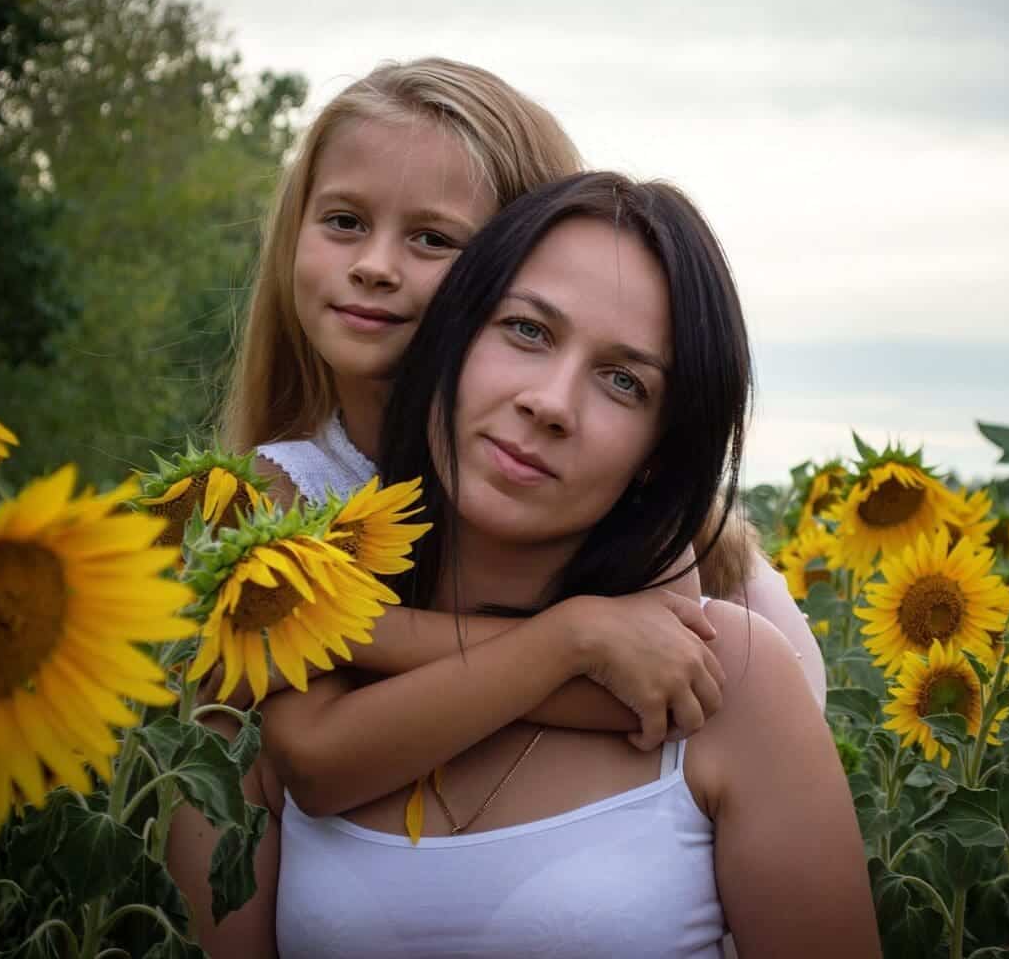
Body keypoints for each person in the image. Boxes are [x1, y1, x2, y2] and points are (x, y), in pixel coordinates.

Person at [178, 172, 879, 956]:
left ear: (660, 450)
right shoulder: (277, 661)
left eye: (624, 382)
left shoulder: (729, 675)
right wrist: (568, 639)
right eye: (526, 331)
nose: (550, 403)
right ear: (450, 342)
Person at [216, 56, 825, 717]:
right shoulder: (285, 489)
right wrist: (573, 641)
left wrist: (325, 633)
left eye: (432, 238)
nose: (374, 266)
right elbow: (266, 697)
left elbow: (668, 706)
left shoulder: (619, 519)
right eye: (344, 222)